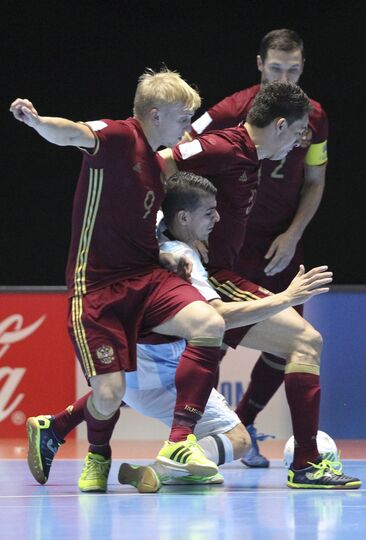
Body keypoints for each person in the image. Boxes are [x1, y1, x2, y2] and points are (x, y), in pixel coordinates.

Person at [27, 171, 344, 493]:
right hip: (160, 372)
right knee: (238, 437)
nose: (217, 218)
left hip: (131, 367)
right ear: (182, 216)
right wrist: (287, 298)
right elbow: (217, 317)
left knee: (113, 394)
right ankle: (172, 453)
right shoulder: (182, 256)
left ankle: (67, 431)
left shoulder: (147, 231)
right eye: (209, 212)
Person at [10, 68, 227, 494]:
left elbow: (138, 224)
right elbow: (71, 133)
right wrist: (37, 123)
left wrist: (163, 254)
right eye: (183, 118)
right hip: (96, 289)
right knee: (109, 393)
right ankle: (91, 452)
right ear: (154, 113)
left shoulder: (157, 164)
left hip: (145, 276)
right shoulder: (118, 136)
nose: (187, 128)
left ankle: (180, 442)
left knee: (210, 324)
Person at [158, 81, 360, 489]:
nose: (300, 143)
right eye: (300, 132)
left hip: (220, 271)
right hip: (211, 275)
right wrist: (168, 236)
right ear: (281, 125)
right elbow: (161, 160)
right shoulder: (225, 146)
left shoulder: (248, 158)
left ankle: (195, 453)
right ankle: (306, 463)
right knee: (305, 341)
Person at [190, 29, 328, 468]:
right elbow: (172, 148)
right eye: (275, 69)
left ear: (302, 67)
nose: (284, 78)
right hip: (230, 248)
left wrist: (292, 234)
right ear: (259, 65)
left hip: (282, 246)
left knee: (292, 343)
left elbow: (315, 180)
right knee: (210, 339)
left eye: (293, 69)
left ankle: (243, 422)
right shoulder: (230, 112)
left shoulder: (315, 118)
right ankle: (193, 434)